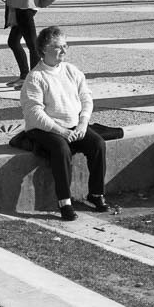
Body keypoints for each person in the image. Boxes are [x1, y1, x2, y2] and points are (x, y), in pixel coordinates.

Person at [20, 26, 109, 221]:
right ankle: (65, 201)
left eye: (65, 45)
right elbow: (34, 113)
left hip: (74, 125)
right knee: (61, 149)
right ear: (43, 49)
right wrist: (61, 131)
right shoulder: (35, 77)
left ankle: (95, 194)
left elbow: (86, 98)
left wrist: (83, 123)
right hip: (45, 128)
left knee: (98, 144)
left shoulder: (71, 70)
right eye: (58, 47)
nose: (64, 50)